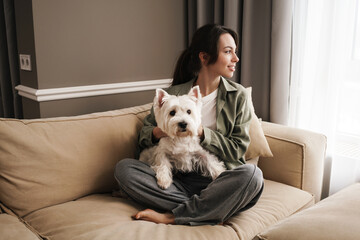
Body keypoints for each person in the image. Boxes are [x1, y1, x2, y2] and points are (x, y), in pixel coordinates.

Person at [114, 24, 264, 226]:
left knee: (253, 176)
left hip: (216, 180)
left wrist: (203, 133)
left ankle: (172, 215)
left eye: (234, 52)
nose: (236, 59)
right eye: (228, 52)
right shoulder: (172, 94)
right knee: (124, 170)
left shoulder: (238, 97)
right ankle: (211, 209)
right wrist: (161, 131)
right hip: (174, 179)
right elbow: (144, 138)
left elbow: (237, 150)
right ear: (204, 57)